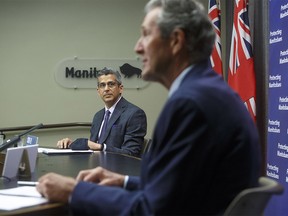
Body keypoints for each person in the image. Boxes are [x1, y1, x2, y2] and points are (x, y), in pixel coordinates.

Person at [37, 0, 261, 215]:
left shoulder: (191, 104)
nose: (138, 47)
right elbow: (178, 186)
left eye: (145, 34)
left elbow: (154, 210)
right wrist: (123, 181)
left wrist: (75, 191)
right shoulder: (208, 91)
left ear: (175, 41)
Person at [56, 67, 147, 158]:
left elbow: (131, 154)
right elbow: (92, 146)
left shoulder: (135, 114)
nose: (106, 89)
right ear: (98, 91)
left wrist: (100, 147)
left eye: (111, 84)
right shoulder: (98, 116)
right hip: (96, 165)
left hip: (118, 169)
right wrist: (72, 145)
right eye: (102, 85)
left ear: (120, 88)